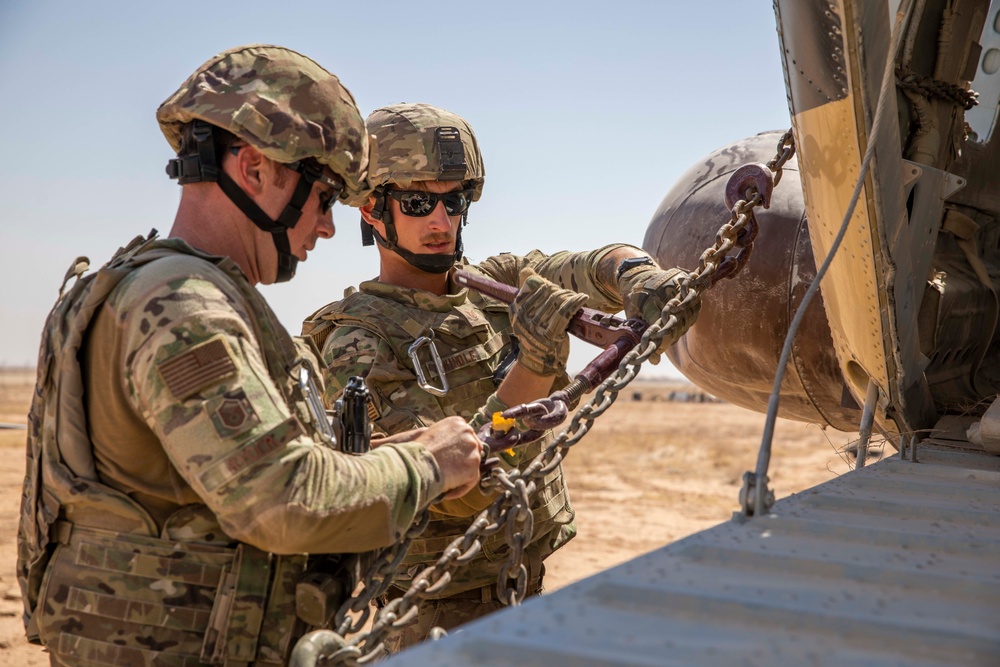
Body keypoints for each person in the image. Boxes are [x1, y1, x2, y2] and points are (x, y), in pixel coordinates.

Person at [16, 47, 484, 667]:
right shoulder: (182, 307)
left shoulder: (178, 291)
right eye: (322, 197)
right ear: (256, 168)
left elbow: (218, 482)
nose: (327, 227)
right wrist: (429, 465)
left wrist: (377, 460)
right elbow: (283, 500)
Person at [302, 103, 701, 652]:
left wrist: (640, 276)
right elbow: (452, 492)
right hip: (436, 611)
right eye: (418, 203)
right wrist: (535, 367)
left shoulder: (490, 284)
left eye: (454, 201)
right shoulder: (358, 340)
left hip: (523, 574)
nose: (442, 222)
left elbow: (588, 264)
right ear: (371, 210)